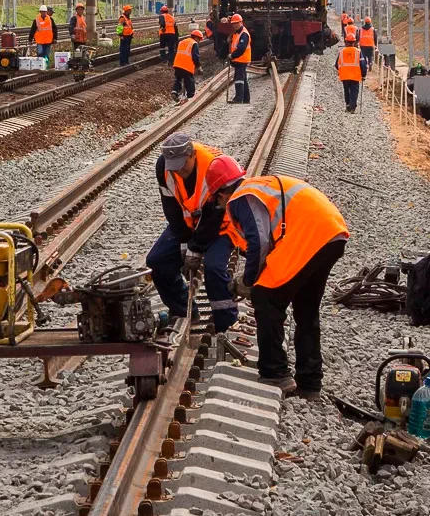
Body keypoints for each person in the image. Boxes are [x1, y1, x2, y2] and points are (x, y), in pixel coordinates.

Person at [209, 158, 350, 397]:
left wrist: (249, 281)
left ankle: (275, 373)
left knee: (266, 296)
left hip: (309, 235)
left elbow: (260, 241)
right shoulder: (260, 187)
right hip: (332, 233)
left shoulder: (241, 198)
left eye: (217, 200)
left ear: (222, 192)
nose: (220, 205)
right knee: (306, 309)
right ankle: (309, 383)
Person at [145, 134, 239, 333]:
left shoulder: (213, 166)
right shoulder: (164, 168)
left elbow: (214, 215)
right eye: (174, 165)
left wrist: (194, 249)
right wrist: (183, 241)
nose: (179, 170)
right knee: (157, 260)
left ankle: (227, 323)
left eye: (182, 164)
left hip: (221, 224)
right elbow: (170, 206)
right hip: (190, 222)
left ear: (192, 154)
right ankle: (183, 310)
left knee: (214, 269)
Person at [336, 31, 368, 113]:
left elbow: (336, 65)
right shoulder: (358, 52)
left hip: (344, 75)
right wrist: (364, 75)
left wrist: (341, 70)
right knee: (354, 91)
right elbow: (363, 64)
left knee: (346, 90)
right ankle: (353, 107)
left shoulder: (341, 52)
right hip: (355, 75)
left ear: (346, 42)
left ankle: (347, 106)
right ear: (354, 42)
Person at [171, 29, 202, 101]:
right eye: (199, 39)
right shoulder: (194, 43)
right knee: (189, 81)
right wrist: (198, 66)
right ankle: (190, 98)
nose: (199, 41)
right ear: (196, 37)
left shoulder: (182, 42)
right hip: (186, 66)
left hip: (177, 64)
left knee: (178, 79)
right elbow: (195, 56)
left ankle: (174, 92)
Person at [229, 13, 251, 104]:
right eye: (233, 23)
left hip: (241, 59)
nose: (235, 25)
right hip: (239, 59)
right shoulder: (236, 33)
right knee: (243, 79)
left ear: (241, 22)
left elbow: (241, 48)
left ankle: (239, 98)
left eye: (237, 23)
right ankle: (246, 99)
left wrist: (232, 55)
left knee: (239, 79)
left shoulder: (244, 34)